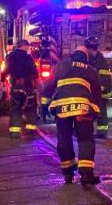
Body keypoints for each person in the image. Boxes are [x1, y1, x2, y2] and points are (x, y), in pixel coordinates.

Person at [42, 46, 102, 184]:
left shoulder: (60, 66)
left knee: (64, 138)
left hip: (62, 109)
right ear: (86, 57)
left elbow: (48, 86)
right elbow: (97, 93)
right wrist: (96, 111)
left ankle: (68, 174)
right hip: (83, 109)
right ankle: (86, 175)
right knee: (85, 139)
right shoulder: (90, 70)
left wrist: (45, 105)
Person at [0, 40, 40, 138]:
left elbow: (6, 70)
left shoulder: (10, 56)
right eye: (28, 46)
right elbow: (34, 73)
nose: (28, 48)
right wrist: (37, 86)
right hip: (28, 87)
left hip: (16, 87)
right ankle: (31, 129)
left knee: (15, 109)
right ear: (24, 46)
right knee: (30, 108)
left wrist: (2, 83)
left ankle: (14, 132)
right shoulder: (28, 58)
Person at [85, 37, 112, 139]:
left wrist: (97, 90)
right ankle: (93, 131)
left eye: (87, 49)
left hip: (102, 91)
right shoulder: (93, 59)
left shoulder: (100, 61)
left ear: (91, 49)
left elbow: (104, 78)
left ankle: (102, 133)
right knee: (95, 110)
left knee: (101, 110)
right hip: (96, 90)